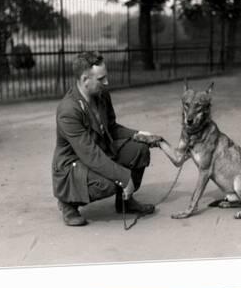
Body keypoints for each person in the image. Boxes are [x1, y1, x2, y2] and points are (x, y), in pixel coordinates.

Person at [51, 50, 160, 226]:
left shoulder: (101, 95)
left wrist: (138, 134)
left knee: (139, 149)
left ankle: (125, 201)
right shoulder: (68, 110)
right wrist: (125, 178)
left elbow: (111, 128)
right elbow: (90, 155)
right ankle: (68, 203)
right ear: (85, 80)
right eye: (101, 79)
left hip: (99, 150)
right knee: (109, 183)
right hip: (74, 163)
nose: (106, 82)